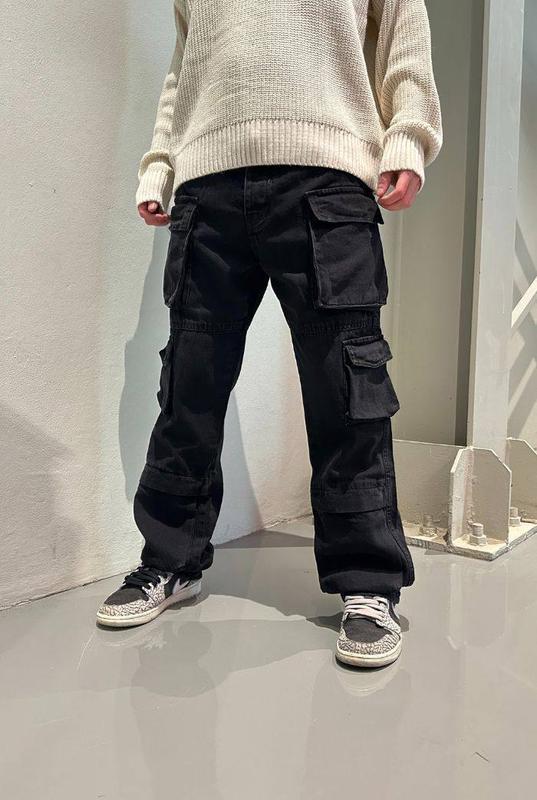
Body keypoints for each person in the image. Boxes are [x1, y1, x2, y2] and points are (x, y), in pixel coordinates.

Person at [97, 0, 442, 668]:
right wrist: (161, 161)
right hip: (206, 187)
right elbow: (186, 66)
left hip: (327, 178)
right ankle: (169, 558)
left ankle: (368, 581)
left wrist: (408, 134)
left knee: (347, 391)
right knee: (189, 387)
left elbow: (404, 28)